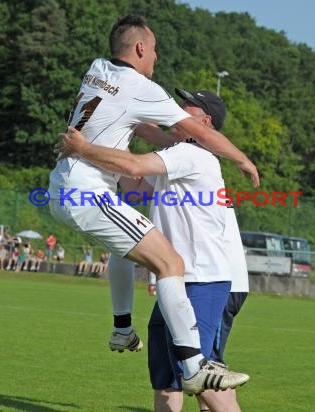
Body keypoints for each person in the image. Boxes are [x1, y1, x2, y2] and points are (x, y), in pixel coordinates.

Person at [50, 15, 257, 395]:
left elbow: (143, 130)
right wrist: (242, 159)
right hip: (86, 192)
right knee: (170, 263)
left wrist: (154, 141)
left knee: (127, 250)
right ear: (141, 49)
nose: (157, 58)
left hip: (66, 188)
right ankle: (194, 367)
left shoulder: (98, 69)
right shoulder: (140, 88)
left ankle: (122, 329)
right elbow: (193, 134)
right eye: (155, 50)